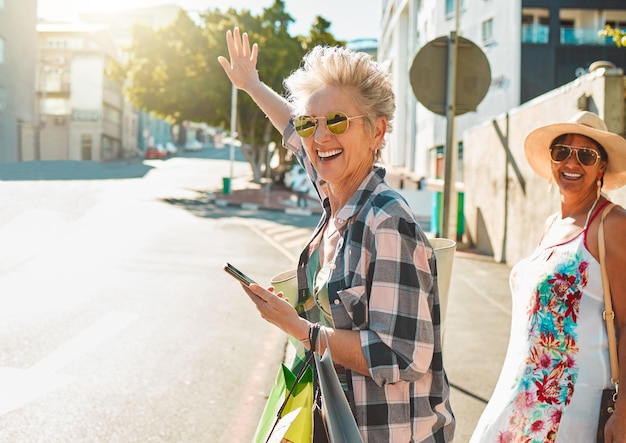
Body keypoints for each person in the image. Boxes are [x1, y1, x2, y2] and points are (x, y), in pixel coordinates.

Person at [218, 28, 455, 442]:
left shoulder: (387, 221)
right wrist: (252, 85)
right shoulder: (337, 194)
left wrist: (299, 328)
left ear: (377, 132)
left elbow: (403, 354)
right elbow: (295, 132)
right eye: (313, 123)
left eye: (338, 121)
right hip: (339, 424)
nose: (321, 136)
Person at [469, 111, 626, 443]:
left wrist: (624, 411)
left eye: (586, 155)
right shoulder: (552, 224)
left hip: (572, 413)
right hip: (520, 403)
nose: (572, 162)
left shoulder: (611, 225)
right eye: (562, 152)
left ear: (601, 168)